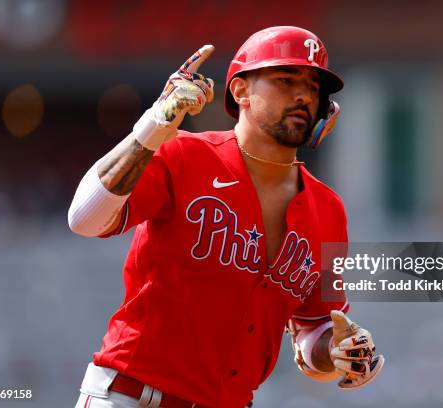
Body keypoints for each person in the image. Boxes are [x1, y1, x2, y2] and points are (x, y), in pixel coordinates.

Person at [68, 26, 384, 408]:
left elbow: (313, 328)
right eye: (285, 80)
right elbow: (84, 218)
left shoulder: (329, 210)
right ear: (240, 90)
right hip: (133, 398)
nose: (303, 95)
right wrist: (154, 125)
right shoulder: (184, 154)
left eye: (314, 87)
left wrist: (339, 351)